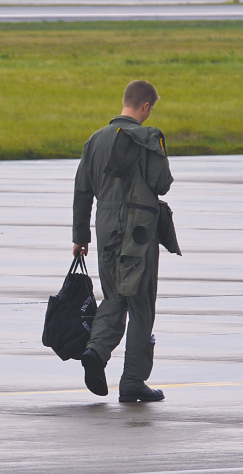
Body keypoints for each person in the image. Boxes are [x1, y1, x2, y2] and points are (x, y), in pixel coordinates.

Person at [72, 80, 179, 403]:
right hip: (139, 232)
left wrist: (80, 237)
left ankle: (96, 351)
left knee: (115, 296)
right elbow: (162, 185)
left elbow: (82, 191)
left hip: (104, 229)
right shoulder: (148, 139)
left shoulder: (95, 140)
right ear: (145, 107)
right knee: (141, 305)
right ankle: (132, 379)